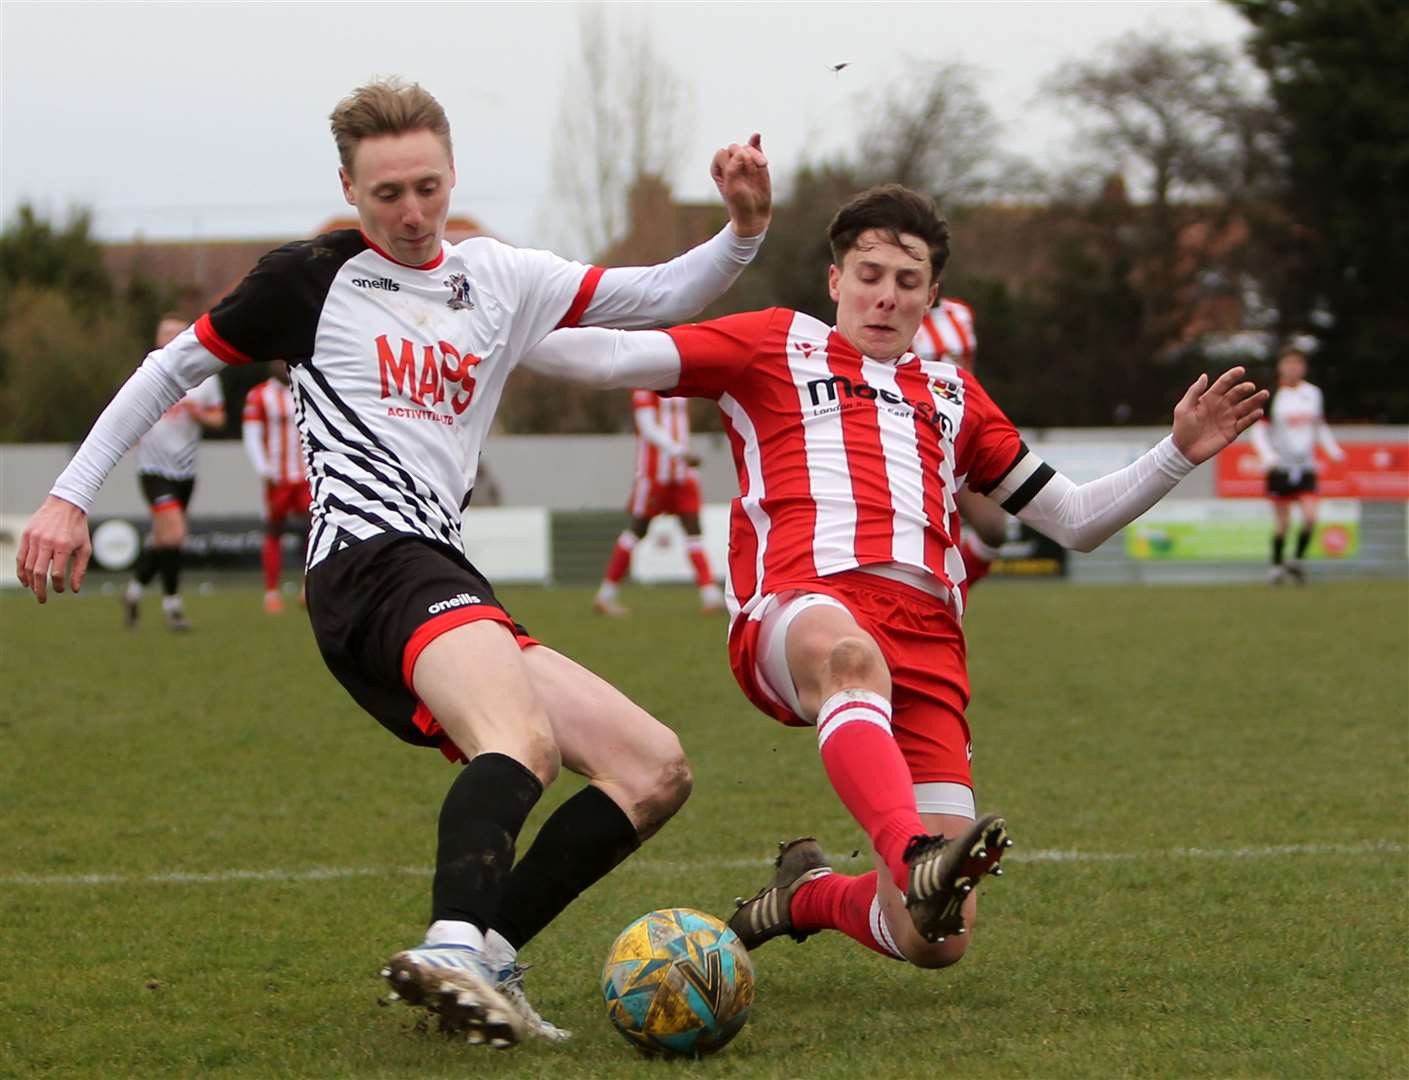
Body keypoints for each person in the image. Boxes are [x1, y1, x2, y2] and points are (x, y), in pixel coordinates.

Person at [16, 77, 772, 1048]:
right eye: (385, 195)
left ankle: (482, 960)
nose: (411, 213)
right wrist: (72, 494)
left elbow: (656, 293)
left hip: (438, 574)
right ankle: (452, 945)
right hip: (369, 567)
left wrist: (742, 229)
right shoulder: (306, 279)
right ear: (347, 187)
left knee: (651, 767)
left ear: (452, 175)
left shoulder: (500, 276)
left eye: (427, 187)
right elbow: (175, 368)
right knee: (522, 739)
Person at [521, 184, 1265, 974]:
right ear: (835, 279)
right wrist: (487, 325)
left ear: (931, 296)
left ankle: (804, 893)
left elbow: (1075, 520)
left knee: (934, 941)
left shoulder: (954, 395)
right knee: (848, 659)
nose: (885, 296)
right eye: (868, 274)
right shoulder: (773, 343)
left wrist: (1177, 451)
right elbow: (608, 355)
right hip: (805, 609)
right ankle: (911, 850)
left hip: (929, 645)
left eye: (906, 282)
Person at [122, 313, 226, 631]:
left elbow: (219, 419)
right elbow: (126, 412)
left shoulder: (204, 377)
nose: (168, 337)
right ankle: (173, 605)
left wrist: (199, 414)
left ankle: (133, 592)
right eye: (163, 332)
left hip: (186, 470)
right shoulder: (147, 375)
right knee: (175, 533)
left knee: (167, 539)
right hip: (153, 469)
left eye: (175, 332)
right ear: (156, 339)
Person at [593, 389, 724, 616]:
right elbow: (647, 426)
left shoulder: (680, 380)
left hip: (683, 475)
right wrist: (679, 451)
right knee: (637, 530)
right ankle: (605, 595)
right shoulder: (645, 385)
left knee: (694, 531)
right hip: (654, 476)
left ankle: (710, 596)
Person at [911, 295, 1009, 594]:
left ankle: (948, 594)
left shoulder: (961, 312)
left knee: (993, 528)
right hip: (918, 441)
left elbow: (968, 373)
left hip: (962, 433)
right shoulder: (902, 315)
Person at [1250, 345, 1344, 584]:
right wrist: (1268, 458)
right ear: (1281, 367)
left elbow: (1318, 426)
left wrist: (1333, 450)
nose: (1293, 368)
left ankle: (1297, 561)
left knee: (1311, 517)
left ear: (1304, 367)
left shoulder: (1313, 394)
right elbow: (1259, 432)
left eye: (1298, 363)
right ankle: (1276, 566)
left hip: (1305, 466)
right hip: (1280, 467)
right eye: (1289, 363)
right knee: (1283, 524)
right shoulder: (1272, 395)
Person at [241, 361, 312, 612]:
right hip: (277, 477)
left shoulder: (307, 387)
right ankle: (272, 592)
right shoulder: (259, 395)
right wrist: (263, 469)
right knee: (274, 529)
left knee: (315, 529)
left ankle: (310, 586)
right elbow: (251, 434)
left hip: (306, 475)